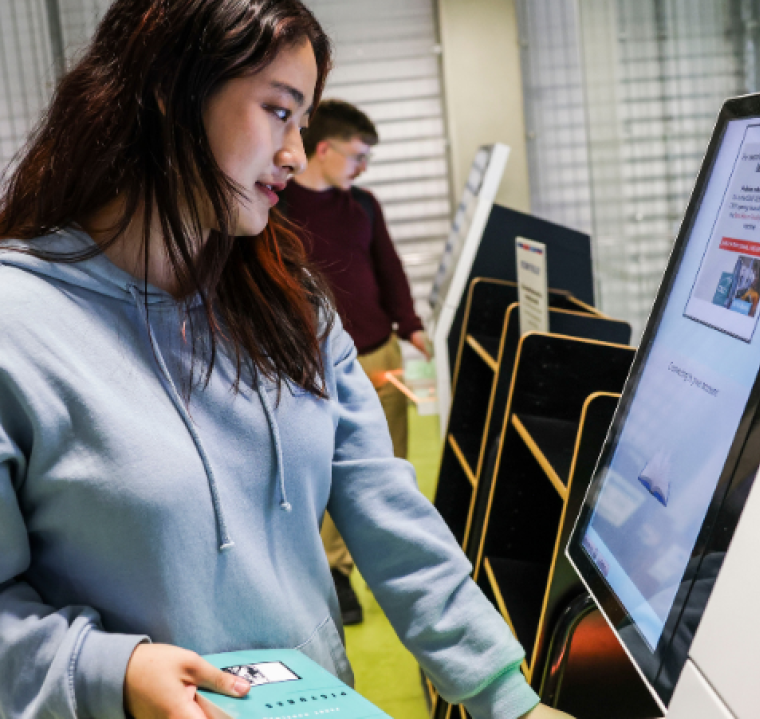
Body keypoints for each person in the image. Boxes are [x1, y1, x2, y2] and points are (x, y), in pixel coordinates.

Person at [0, 2, 572, 719]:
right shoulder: (16, 327)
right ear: (170, 100)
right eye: (279, 111)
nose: (298, 154)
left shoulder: (288, 303)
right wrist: (114, 671)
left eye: (304, 122)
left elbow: (386, 510)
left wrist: (505, 697)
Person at [281, 100, 429, 625]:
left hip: (378, 356)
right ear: (324, 149)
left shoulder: (363, 205)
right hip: (305, 366)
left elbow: (389, 269)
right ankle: (332, 572)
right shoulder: (276, 207)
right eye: (358, 155)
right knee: (321, 468)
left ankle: (393, 571)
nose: (363, 167)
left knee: (383, 466)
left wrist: (411, 325)